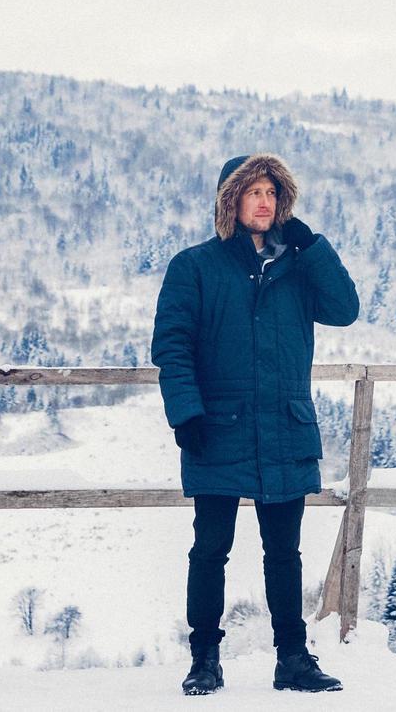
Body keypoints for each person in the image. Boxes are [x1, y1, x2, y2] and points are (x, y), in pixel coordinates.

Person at [152, 152, 360, 696]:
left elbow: (344, 308)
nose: (264, 202)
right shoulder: (193, 266)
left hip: (285, 426)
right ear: (231, 201)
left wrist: (312, 246)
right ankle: (204, 659)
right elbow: (171, 346)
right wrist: (186, 412)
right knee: (210, 549)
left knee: (284, 551)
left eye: (272, 192)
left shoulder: (298, 266)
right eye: (253, 192)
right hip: (216, 426)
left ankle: (292, 658)